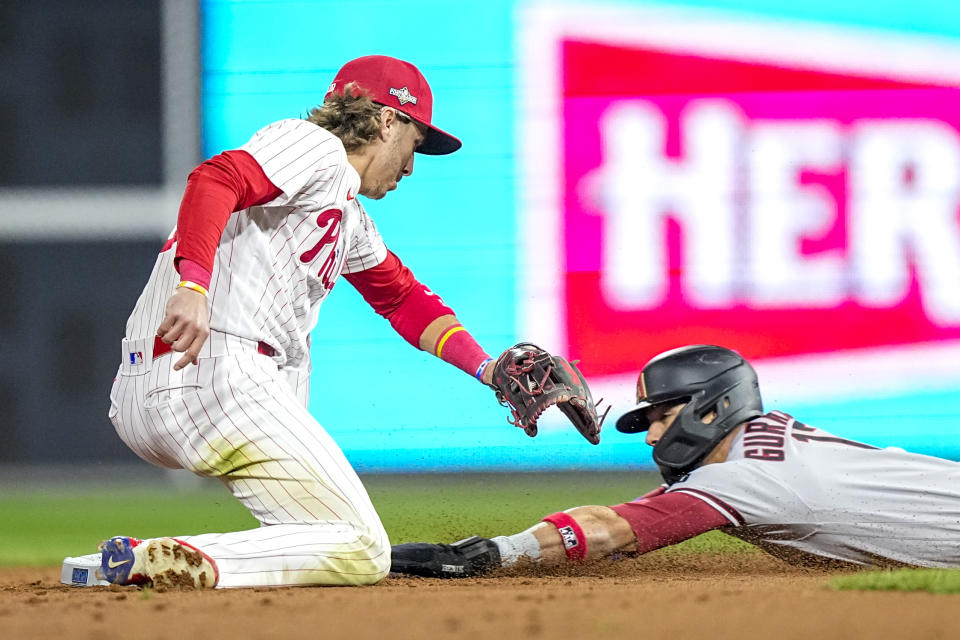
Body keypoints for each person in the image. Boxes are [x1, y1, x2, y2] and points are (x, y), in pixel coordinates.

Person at [100, 55, 522, 589]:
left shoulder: (345, 212)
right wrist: (193, 284)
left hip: (159, 387)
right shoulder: (315, 148)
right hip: (215, 376)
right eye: (415, 143)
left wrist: (487, 369)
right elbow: (216, 177)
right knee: (365, 550)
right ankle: (184, 554)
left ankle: (131, 563)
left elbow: (404, 300)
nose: (412, 167)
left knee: (318, 537)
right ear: (386, 120)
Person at [390, 344, 960, 577]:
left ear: (709, 407)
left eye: (659, 416)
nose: (649, 437)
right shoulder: (770, 434)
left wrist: (493, 552)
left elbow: (610, 530)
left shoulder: (745, 478)